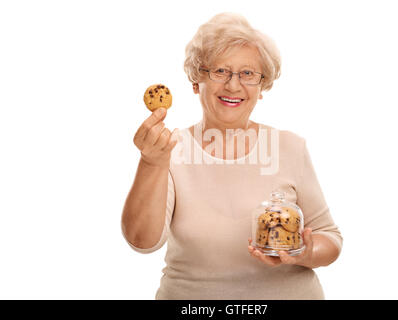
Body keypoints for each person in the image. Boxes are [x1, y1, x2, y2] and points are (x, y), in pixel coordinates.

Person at [121, 12, 343, 300]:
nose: (233, 85)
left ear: (261, 86)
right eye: (220, 71)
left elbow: (330, 238)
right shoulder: (167, 147)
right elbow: (142, 242)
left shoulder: (289, 147)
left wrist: (304, 252)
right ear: (195, 80)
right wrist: (151, 162)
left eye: (248, 74)